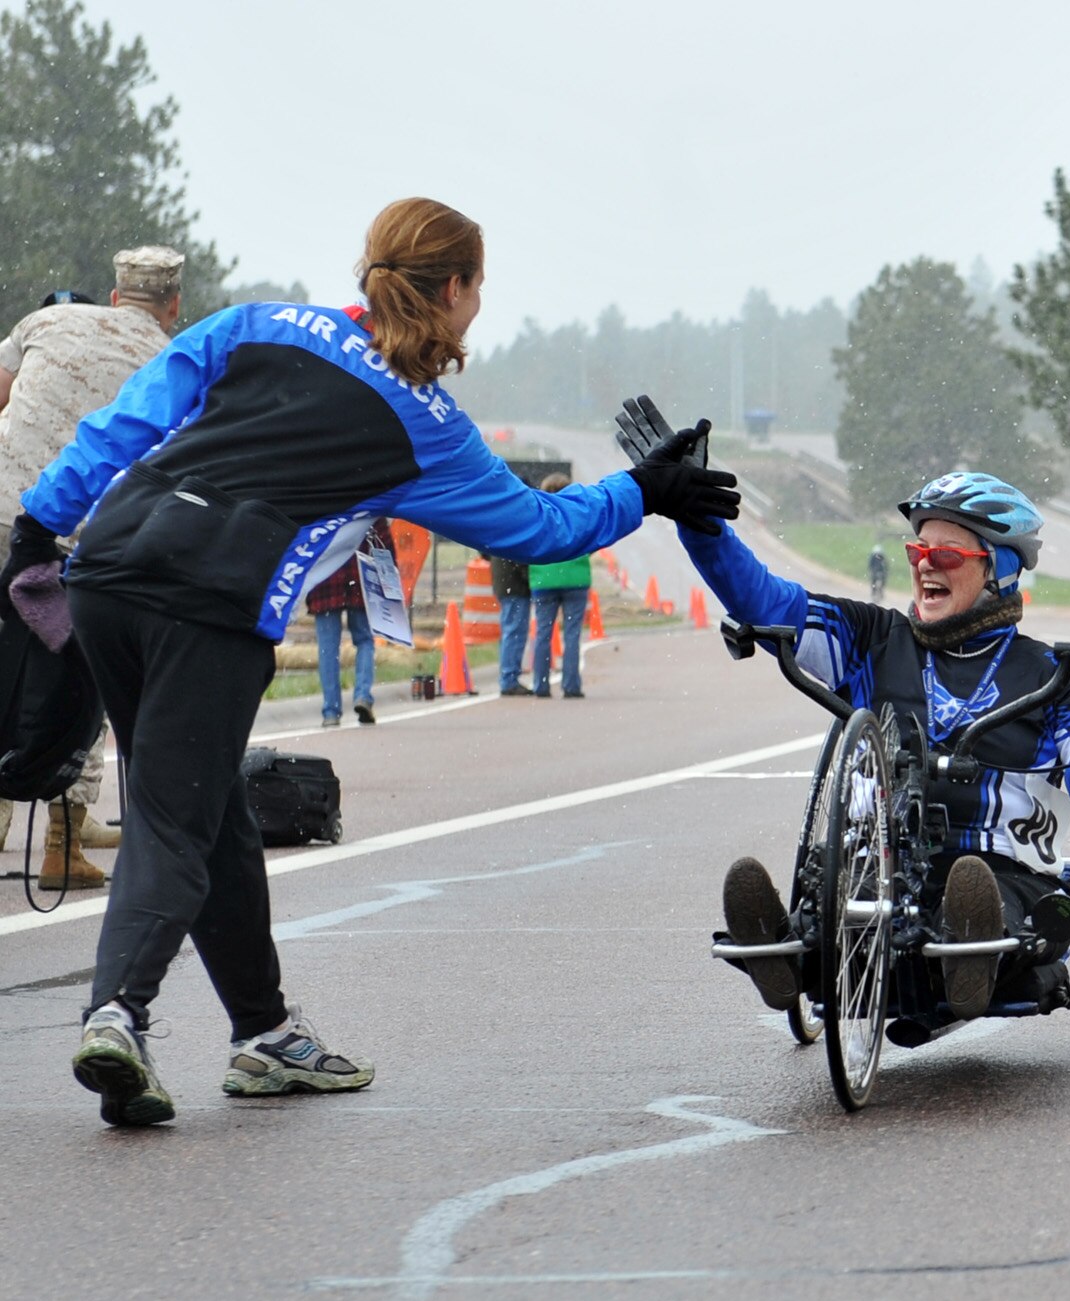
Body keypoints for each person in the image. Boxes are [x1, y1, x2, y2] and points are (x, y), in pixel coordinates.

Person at [5, 199, 740, 1127]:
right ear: (457, 289)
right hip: (212, 602)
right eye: (479, 287)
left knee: (206, 799)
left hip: (109, 566)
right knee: (171, 815)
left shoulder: (260, 322)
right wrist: (648, 488)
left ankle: (265, 1032)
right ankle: (118, 1014)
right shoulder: (424, 421)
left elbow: (128, 419)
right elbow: (541, 525)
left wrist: (40, 517)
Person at [618, 398, 1070, 1028]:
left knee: (986, 895)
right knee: (844, 898)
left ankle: (970, 955)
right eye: (917, 552)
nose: (926, 565)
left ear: (1000, 571)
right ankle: (793, 953)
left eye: (948, 556)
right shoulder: (873, 638)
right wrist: (697, 520)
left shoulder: (1054, 679)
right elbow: (765, 599)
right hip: (885, 867)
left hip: (1007, 874)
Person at [0, 246, 187, 889]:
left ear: (113, 294)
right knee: (78, 675)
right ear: (173, 305)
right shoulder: (170, 359)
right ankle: (63, 842)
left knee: (4, 663)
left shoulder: (46, 322)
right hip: (78, 533)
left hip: (2, 511)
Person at [305, 517, 392, 727]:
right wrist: (389, 582)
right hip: (361, 578)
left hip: (324, 581)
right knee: (364, 641)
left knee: (327, 649)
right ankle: (362, 696)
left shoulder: (318, 503)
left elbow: (306, 541)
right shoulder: (367, 496)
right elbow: (382, 541)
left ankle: (331, 711)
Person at [528, 473, 591, 698]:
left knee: (543, 633)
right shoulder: (578, 513)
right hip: (576, 577)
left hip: (543, 578)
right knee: (572, 635)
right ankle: (571, 685)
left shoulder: (537, 513)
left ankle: (540, 685)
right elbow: (591, 539)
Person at [491, 551, 533, 696]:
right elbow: (519, 554)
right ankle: (509, 679)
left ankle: (508, 676)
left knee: (509, 632)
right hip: (515, 583)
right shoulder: (512, 532)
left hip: (504, 580)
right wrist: (530, 578)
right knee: (515, 632)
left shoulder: (495, 530)